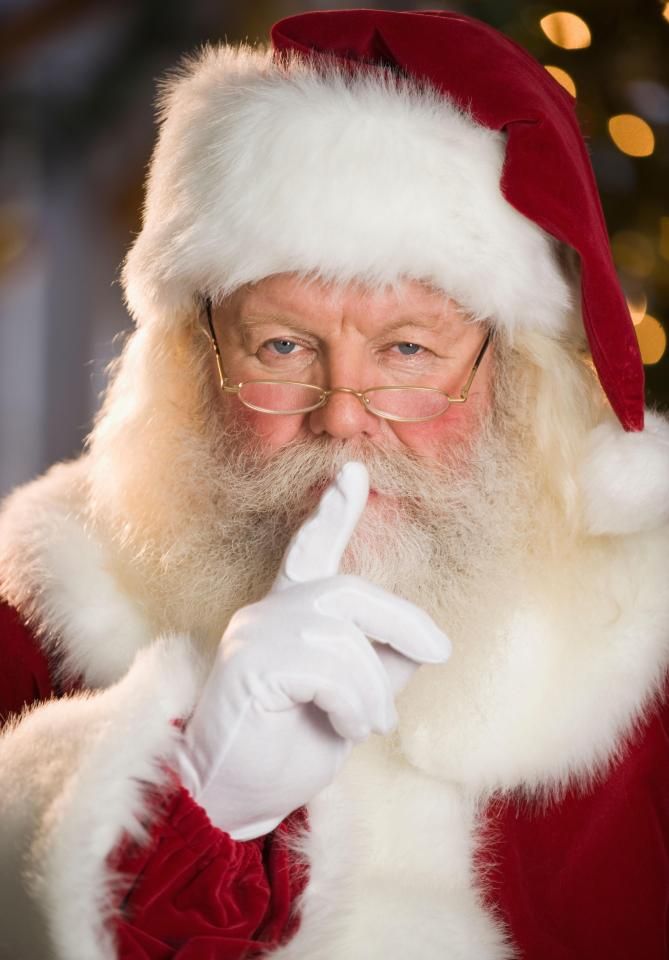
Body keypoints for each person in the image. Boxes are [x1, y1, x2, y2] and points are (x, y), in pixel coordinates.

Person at [0, 8, 668, 960]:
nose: (342, 415)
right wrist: (196, 800)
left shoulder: (648, 622)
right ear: (191, 365)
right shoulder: (35, 608)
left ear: (513, 374)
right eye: (281, 345)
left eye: (407, 350)